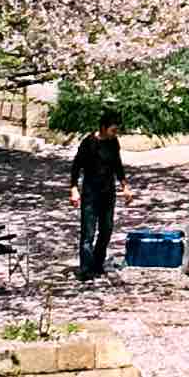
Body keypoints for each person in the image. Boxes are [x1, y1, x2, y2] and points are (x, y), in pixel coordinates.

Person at [69, 113, 130, 282]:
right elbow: (76, 166)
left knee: (106, 229)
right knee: (88, 232)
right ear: (103, 127)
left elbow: (117, 165)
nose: (115, 133)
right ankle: (86, 269)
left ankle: (97, 263)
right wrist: (74, 188)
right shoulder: (89, 143)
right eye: (113, 130)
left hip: (108, 193)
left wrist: (124, 186)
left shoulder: (113, 142)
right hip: (91, 193)